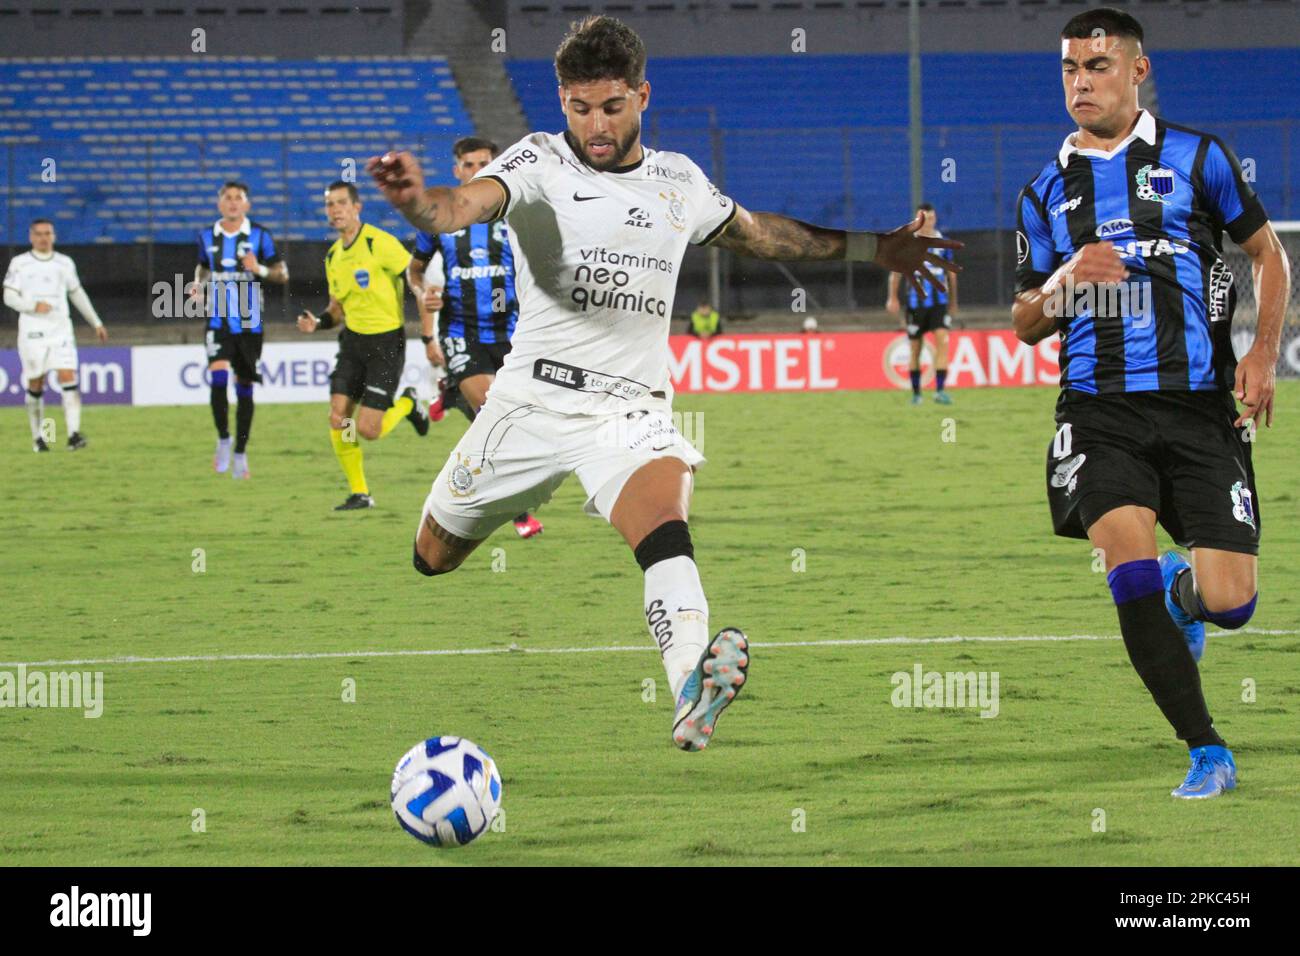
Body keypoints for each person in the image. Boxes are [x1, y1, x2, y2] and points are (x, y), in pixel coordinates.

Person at [369, 16, 959, 751]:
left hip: (629, 408)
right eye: (581, 107)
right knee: (432, 556)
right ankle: (669, 662)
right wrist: (412, 203)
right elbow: (458, 208)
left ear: (642, 95)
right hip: (527, 402)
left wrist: (876, 248)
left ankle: (689, 689)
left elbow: (762, 233)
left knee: (666, 534)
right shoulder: (537, 162)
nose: (596, 124)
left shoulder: (678, 181)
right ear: (562, 102)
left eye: (612, 106)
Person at [1012, 7, 1289, 798]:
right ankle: (1206, 747)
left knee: (1233, 602)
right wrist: (1065, 285)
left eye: (1097, 66)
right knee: (1122, 563)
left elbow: (1267, 255)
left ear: (1138, 70)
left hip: (1202, 407)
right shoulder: (1043, 192)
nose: (1081, 82)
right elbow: (1025, 321)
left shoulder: (1200, 158)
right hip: (1099, 414)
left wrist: (1265, 351)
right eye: (1069, 68)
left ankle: (1185, 595)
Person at [406, 136, 543, 539]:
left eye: (485, 162)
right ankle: (517, 512)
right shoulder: (440, 219)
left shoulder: (517, 214)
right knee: (492, 411)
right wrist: (421, 293)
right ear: (457, 170)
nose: (477, 170)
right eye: (469, 164)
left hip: (512, 335)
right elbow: (414, 272)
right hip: (460, 331)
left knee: (522, 420)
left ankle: (450, 393)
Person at [297, 181, 430, 511]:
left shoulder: (378, 242)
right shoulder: (332, 258)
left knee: (370, 430)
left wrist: (428, 314)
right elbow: (337, 309)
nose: (335, 209)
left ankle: (408, 405)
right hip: (353, 343)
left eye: (342, 203)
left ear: (357, 207)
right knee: (338, 418)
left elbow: (415, 275)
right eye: (330, 204)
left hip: (385, 343)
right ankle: (360, 493)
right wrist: (319, 323)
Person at [193, 181, 288, 478]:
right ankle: (223, 439)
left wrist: (257, 268)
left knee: (244, 387)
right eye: (228, 198)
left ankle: (240, 453)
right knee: (218, 378)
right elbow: (203, 267)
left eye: (239, 198)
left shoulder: (260, 236)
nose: (233, 203)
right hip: (217, 320)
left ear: (247, 205)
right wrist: (198, 284)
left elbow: (282, 274)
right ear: (219, 204)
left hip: (249, 324)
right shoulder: (207, 236)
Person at [3, 219, 107, 451]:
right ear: (31, 237)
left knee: (68, 377)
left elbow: (76, 293)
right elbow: (9, 297)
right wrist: (32, 305)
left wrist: (96, 322)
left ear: (54, 236)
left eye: (47, 233)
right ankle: (39, 438)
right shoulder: (20, 264)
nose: (43, 238)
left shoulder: (64, 263)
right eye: (38, 234)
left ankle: (73, 435)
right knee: (36, 383)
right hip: (32, 332)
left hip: (61, 331)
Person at [886, 202, 957, 404]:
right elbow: (896, 272)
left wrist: (953, 302)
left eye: (932, 218)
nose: (929, 222)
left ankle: (940, 391)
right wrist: (892, 297)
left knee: (943, 341)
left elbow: (951, 276)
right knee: (916, 348)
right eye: (925, 218)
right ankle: (917, 395)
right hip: (915, 305)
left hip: (939, 303)